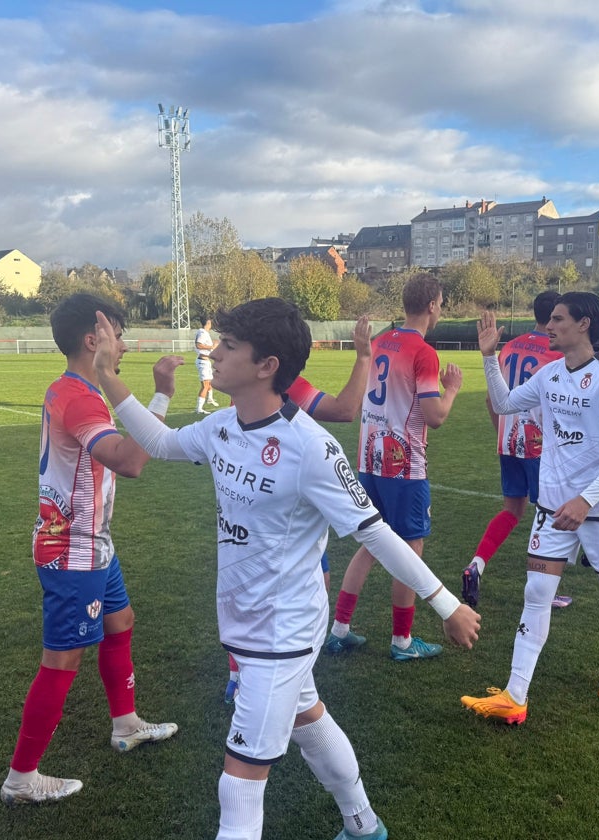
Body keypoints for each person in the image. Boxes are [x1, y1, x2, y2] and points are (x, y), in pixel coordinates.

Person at [90, 296, 480, 840]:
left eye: (228, 346)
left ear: (267, 365)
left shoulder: (310, 447)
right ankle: (364, 825)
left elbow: (374, 531)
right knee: (309, 721)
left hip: (284, 628)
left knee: (240, 780)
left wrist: (447, 604)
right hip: (244, 620)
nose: (215, 354)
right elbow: (157, 443)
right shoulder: (223, 425)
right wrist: (109, 377)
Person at [0, 294, 179, 806]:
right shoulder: (78, 397)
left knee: (120, 623)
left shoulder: (73, 388)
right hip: (73, 550)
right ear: (92, 339)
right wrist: (161, 396)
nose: (124, 345)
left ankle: (125, 724)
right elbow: (130, 461)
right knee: (61, 660)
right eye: (118, 334)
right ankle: (21, 778)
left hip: (92, 543)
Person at [461, 292, 599, 725]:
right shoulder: (548, 375)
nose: (549, 325)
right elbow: (505, 404)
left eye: (559, 319)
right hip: (551, 508)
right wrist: (490, 358)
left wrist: (586, 499)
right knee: (536, 593)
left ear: (583, 324)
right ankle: (515, 695)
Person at [224, 315, 373, 704]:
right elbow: (344, 410)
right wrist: (362, 358)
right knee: (286, 581)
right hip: (278, 495)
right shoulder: (285, 387)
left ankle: (254, 676)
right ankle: (264, 676)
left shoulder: (253, 387)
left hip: (251, 493)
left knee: (246, 579)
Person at [327, 274, 462, 662]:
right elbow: (434, 416)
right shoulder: (423, 351)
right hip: (404, 466)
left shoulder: (379, 342)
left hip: (369, 459)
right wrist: (451, 387)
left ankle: (339, 630)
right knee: (408, 549)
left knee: (370, 544)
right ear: (433, 305)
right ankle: (402, 641)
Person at [461, 291, 572, 609]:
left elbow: (490, 398)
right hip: (541, 445)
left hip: (509, 437)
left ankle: (477, 565)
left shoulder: (509, 346)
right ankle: (544, 589)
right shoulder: (557, 353)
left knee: (512, 509)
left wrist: (503, 432)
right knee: (550, 515)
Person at [196, 317, 220, 413]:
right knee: (205, 385)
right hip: (203, 361)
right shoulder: (202, 333)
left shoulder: (205, 333)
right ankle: (199, 409)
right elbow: (198, 345)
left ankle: (210, 399)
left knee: (209, 383)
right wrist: (212, 346)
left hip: (206, 361)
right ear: (208, 323)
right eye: (210, 323)